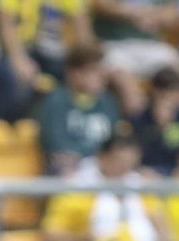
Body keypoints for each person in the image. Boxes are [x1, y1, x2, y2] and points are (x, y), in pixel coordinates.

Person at [42, 134, 163, 241]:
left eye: (131, 164)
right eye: (120, 162)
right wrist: (83, 239)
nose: (125, 169)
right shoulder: (76, 188)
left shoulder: (139, 185)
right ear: (102, 156)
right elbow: (50, 234)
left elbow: (161, 225)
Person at [36, 43, 122, 176]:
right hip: (67, 167)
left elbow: (114, 141)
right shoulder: (56, 101)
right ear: (75, 73)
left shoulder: (108, 102)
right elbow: (55, 143)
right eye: (94, 71)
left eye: (102, 71)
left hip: (102, 166)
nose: (102, 77)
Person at [131, 66, 179, 176]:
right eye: (164, 93)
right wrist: (159, 127)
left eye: (175, 92)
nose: (170, 98)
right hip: (150, 169)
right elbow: (140, 151)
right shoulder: (141, 117)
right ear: (155, 93)